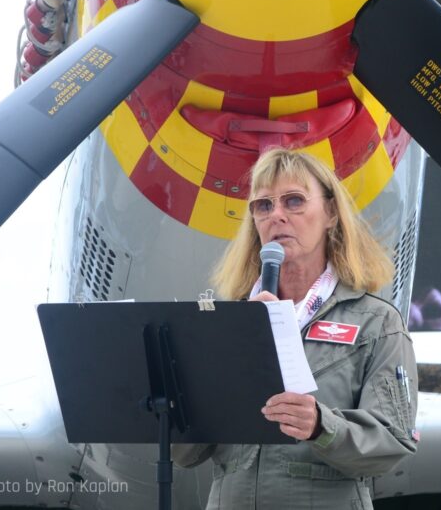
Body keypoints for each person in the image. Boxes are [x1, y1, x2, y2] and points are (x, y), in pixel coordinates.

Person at [174, 148, 418, 509]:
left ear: (331, 213)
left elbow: (392, 442)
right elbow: (183, 452)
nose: (277, 215)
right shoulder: (225, 323)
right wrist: (226, 365)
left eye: (294, 201)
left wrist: (321, 425)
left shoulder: (376, 322)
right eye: (263, 206)